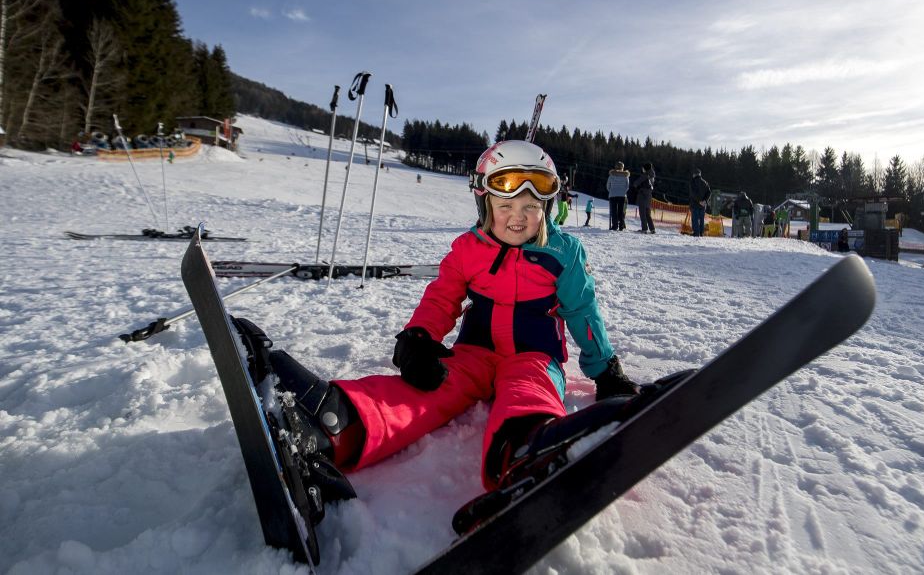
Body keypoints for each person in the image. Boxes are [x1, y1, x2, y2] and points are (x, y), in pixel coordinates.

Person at [240, 140, 641, 507]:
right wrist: (420, 337)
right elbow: (443, 295)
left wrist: (603, 367)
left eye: (530, 208)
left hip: (533, 354)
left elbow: (582, 311)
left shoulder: (563, 252)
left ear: (547, 208)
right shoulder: (469, 248)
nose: (517, 219)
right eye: (506, 208)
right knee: (435, 384)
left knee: (529, 385)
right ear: (485, 205)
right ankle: (338, 421)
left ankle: (527, 450)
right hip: (476, 351)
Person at [606, 161, 630, 231]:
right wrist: (623, 192)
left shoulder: (611, 175)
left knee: (613, 211)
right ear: (622, 167)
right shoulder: (626, 176)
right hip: (622, 195)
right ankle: (621, 226)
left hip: (613, 195)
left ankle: (614, 226)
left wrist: (611, 191)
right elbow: (627, 186)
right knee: (620, 211)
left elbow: (608, 185)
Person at [633, 163, 656, 234]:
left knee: (642, 213)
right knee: (647, 214)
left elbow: (636, 183)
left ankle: (644, 228)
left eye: (643, 168)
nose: (642, 169)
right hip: (649, 196)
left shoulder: (645, 175)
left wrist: (637, 186)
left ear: (645, 169)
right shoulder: (652, 176)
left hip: (643, 195)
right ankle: (652, 229)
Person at [688, 169, 711, 237]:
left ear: (694, 174)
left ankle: (696, 233)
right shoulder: (705, 182)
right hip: (703, 205)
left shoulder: (692, 182)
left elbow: (693, 193)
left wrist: (699, 201)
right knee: (701, 219)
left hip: (695, 204)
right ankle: (701, 233)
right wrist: (705, 200)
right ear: (700, 174)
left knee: (695, 219)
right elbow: (709, 192)